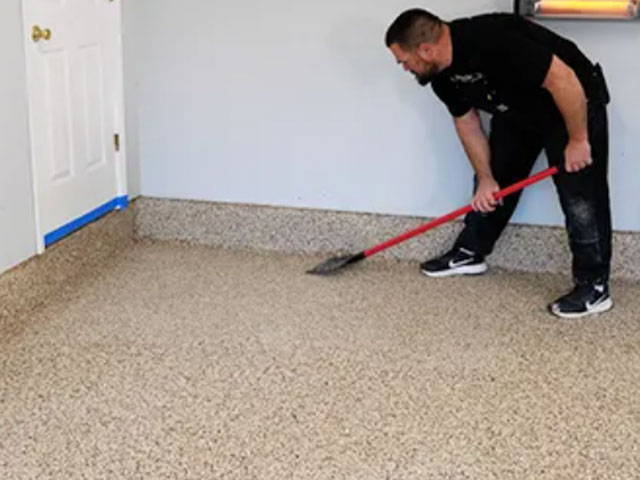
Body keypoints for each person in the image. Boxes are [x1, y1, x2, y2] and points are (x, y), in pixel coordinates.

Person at [385, 9, 613, 319]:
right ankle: (471, 252)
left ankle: (594, 286)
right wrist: (486, 178)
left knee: (580, 197)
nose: (404, 67)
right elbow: (467, 122)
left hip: (571, 104)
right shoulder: (439, 74)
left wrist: (578, 140)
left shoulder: (493, 40)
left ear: (425, 50)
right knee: (496, 179)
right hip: (516, 111)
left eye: (404, 60)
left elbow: (564, 79)